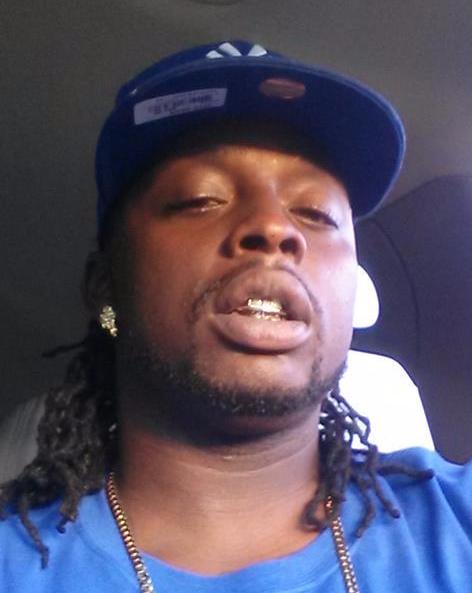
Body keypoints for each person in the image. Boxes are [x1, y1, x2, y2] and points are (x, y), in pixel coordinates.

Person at [0, 40, 471, 593]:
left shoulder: (456, 522)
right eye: (201, 199)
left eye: (317, 214)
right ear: (105, 285)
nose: (275, 228)